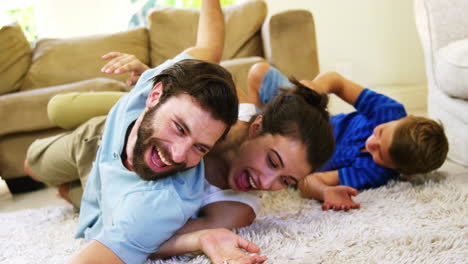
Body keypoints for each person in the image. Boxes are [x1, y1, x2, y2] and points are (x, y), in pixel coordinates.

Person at [22, 1, 258, 263]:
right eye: (179, 128)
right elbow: (210, 45)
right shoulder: (159, 80)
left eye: (200, 148)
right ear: (154, 96)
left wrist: (200, 238)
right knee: (31, 168)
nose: (179, 155)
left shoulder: (157, 207)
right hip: (95, 138)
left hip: (106, 198)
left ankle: (75, 193)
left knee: (79, 199)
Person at [246, 62, 449, 211]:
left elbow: (308, 181)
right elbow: (337, 82)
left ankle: (248, 136)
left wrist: (325, 191)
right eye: (380, 132)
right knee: (259, 71)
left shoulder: (374, 172)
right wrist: (316, 89)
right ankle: (250, 127)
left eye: (380, 154)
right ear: (405, 118)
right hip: (304, 118)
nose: (371, 143)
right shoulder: (389, 110)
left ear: (404, 173)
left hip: (294, 155)